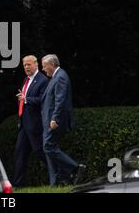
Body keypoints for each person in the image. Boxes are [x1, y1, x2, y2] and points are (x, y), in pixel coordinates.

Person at [41, 54, 84, 186]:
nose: (43, 69)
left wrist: (55, 119)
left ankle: (76, 168)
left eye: (44, 66)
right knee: (50, 147)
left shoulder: (60, 77)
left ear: (52, 65)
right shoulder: (56, 77)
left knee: (48, 146)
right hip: (50, 120)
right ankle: (57, 181)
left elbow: (60, 100)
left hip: (55, 120)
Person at [12, 55, 49, 187]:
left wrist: (26, 99)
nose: (26, 67)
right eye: (24, 65)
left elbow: (43, 100)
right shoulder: (26, 79)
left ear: (36, 64)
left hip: (35, 124)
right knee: (20, 152)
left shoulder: (43, 80)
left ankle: (63, 173)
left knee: (41, 152)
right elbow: (23, 99)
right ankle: (18, 184)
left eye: (29, 65)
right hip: (24, 124)